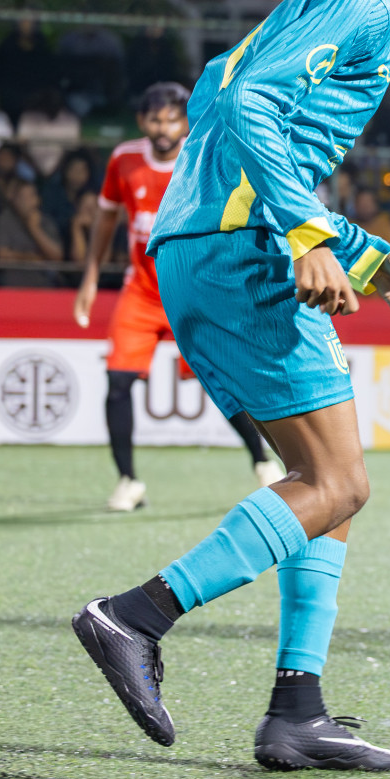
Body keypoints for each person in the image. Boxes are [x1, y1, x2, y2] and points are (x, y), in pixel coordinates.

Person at [70, 0, 390, 772]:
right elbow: (252, 109)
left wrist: (373, 257)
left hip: (204, 248)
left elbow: (231, 115)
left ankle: (297, 712)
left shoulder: (339, 3)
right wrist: (307, 238)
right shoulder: (369, 4)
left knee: (323, 489)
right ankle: (136, 617)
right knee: (340, 484)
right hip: (240, 254)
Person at [73, 83, 282, 512]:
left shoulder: (204, 155)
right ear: (141, 121)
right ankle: (128, 482)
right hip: (142, 291)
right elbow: (106, 220)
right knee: (117, 382)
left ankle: (263, 464)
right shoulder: (124, 159)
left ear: (184, 122)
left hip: (195, 290)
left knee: (224, 381)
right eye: (155, 119)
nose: (163, 128)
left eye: (172, 119)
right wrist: (90, 278)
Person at [0, 179, 63, 287]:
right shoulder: (5, 220)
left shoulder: (46, 222)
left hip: (44, 286)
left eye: (31, 197)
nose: (27, 202)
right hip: (12, 287)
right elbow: (3, 256)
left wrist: (35, 229)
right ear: (15, 201)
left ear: (38, 199)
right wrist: (33, 258)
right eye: (22, 198)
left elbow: (56, 257)